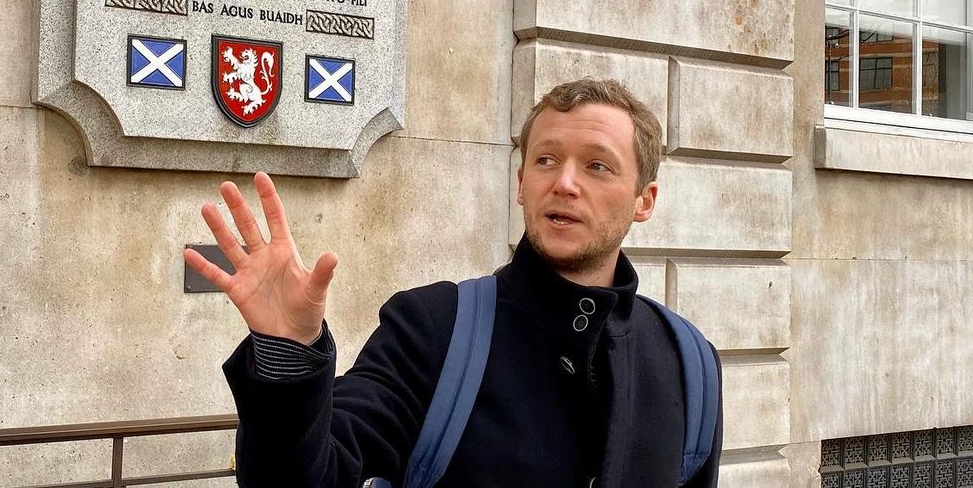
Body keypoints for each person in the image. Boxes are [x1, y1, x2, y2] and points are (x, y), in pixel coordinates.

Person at [184, 78, 723, 487]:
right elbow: (311, 476)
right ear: (520, 185)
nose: (563, 183)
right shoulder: (434, 329)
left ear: (644, 201)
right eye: (546, 160)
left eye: (597, 167)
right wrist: (289, 355)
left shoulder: (689, 361)